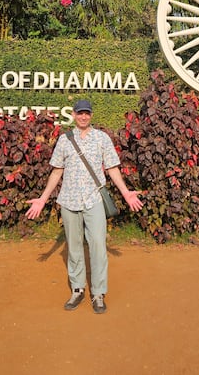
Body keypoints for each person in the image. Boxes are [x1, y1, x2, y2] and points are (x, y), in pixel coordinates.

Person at [25, 99, 143, 314]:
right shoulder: (64, 140)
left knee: (98, 245)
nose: (83, 117)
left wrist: (126, 193)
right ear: (73, 114)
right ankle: (77, 289)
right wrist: (42, 199)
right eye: (80, 113)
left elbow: (112, 168)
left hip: (94, 200)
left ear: (91, 115)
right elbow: (56, 172)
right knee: (74, 247)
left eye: (87, 113)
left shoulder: (102, 138)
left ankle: (98, 293)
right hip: (69, 200)